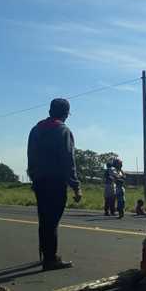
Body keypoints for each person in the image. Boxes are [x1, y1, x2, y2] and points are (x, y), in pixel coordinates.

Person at [27, 98, 82, 271]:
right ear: (65, 113)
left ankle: (46, 253)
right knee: (52, 221)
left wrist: (34, 177)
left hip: (39, 181)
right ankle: (50, 259)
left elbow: (30, 156)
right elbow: (68, 160)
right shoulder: (62, 130)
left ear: (50, 111)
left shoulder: (35, 130)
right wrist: (76, 186)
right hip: (56, 182)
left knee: (44, 219)